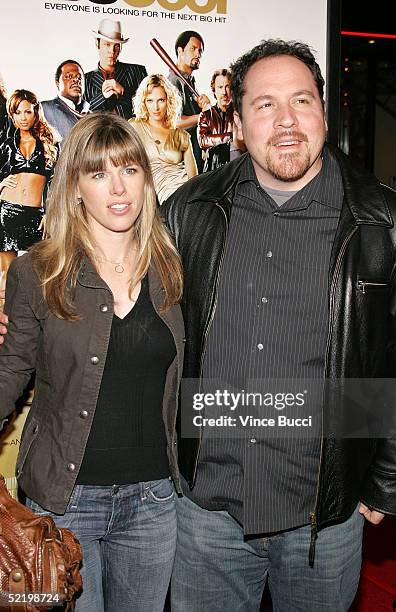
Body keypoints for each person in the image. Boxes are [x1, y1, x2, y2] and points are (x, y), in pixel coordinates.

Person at [160, 40, 396, 611]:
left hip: (323, 517)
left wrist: (390, 480)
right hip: (208, 509)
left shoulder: (381, 221)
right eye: (265, 105)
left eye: (302, 101)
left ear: (324, 113)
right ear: (236, 123)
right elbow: (133, 314)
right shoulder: (190, 211)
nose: (286, 121)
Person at [0, 113, 184, 612]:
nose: (119, 188)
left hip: (153, 500)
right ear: (76, 186)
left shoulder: (172, 268)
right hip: (65, 499)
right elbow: (12, 367)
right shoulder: (38, 270)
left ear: (148, 179)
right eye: (99, 173)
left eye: (130, 170)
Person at [0, 89, 58, 256]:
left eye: (27, 111)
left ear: (36, 112)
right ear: (12, 115)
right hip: (7, 213)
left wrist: (49, 213)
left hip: (36, 215)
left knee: (37, 272)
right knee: (6, 272)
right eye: (18, 113)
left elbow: (55, 182)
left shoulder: (49, 143)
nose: (23, 118)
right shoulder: (5, 144)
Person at [129, 74, 197, 204]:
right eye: (150, 101)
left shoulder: (181, 136)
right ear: (143, 102)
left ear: (169, 101)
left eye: (161, 100)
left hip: (186, 197)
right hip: (159, 201)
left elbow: (194, 180)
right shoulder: (134, 127)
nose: (156, 107)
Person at [85, 19, 147, 119]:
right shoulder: (85, 80)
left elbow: (149, 108)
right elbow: (82, 115)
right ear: (97, 44)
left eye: (117, 46)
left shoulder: (137, 71)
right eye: (107, 44)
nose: (112, 51)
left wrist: (123, 92)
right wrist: (103, 96)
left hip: (131, 133)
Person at [168, 31, 211, 173]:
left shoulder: (189, 82)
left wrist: (201, 108)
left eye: (200, 51)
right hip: (182, 162)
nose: (198, 55)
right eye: (193, 49)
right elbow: (176, 122)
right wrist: (204, 116)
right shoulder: (174, 81)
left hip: (195, 157)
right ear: (180, 51)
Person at [42, 60, 90, 144]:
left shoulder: (93, 116)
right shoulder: (43, 109)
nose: (76, 80)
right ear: (57, 83)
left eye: (79, 77)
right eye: (69, 76)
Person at [198, 68, 234, 172]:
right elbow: (203, 141)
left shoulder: (239, 113)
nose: (224, 92)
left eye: (227, 87)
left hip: (235, 166)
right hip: (212, 170)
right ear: (214, 90)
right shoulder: (206, 114)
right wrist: (230, 136)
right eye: (220, 87)